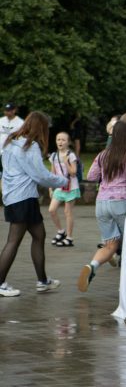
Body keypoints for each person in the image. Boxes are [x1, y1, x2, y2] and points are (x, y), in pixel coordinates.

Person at [0, 112, 67, 297]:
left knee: (39, 235)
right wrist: (63, 181)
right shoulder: (30, 146)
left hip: (13, 196)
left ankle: (43, 281)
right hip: (23, 198)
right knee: (13, 241)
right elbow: (40, 175)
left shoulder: (11, 141)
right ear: (41, 128)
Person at [79, 121, 126, 291]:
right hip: (122, 203)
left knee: (111, 244)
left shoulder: (103, 155)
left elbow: (91, 175)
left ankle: (93, 265)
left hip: (102, 203)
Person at [48, 131, 81, 247]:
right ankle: (61, 231)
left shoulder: (71, 155)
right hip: (59, 187)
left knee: (68, 212)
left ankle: (69, 238)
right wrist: (50, 188)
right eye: (58, 139)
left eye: (63, 140)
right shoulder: (53, 156)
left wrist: (66, 161)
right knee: (52, 210)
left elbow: (73, 173)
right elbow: (52, 174)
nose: (60, 142)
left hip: (71, 187)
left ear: (68, 142)